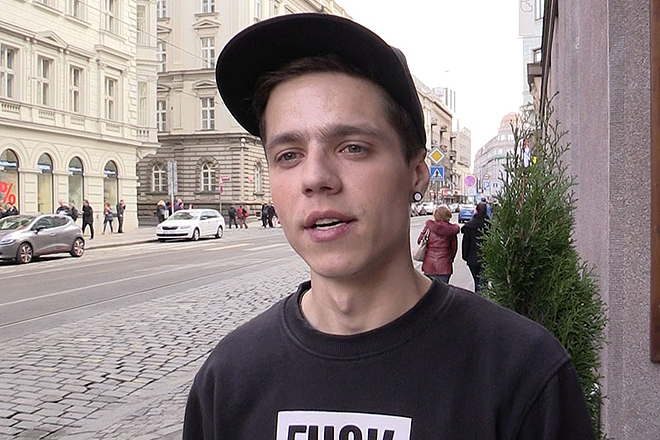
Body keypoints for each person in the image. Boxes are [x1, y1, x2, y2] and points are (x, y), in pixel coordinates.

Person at [183, 14, 593, 439]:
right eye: (288, 155)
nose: (315, 177)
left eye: (353, 148)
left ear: (416, 173)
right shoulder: (227, 381)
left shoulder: (524, 376)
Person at [417, 205, 460, 284]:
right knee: (442, 289)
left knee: (429, 289)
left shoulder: (429, 227)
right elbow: (454, 248)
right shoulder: (451, 230)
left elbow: (420, 241)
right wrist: (451, 259)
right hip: (444, 265)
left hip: (429, 265)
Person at [462, 202, 489, 293]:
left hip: (472, 258)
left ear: (476, 211)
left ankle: (478, 297)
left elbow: (466, 243)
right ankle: (481, 297)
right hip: (486, 258)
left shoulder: (469, 225)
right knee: (483, 283)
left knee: (477, 282)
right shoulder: (489, 225)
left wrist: (465, 256)